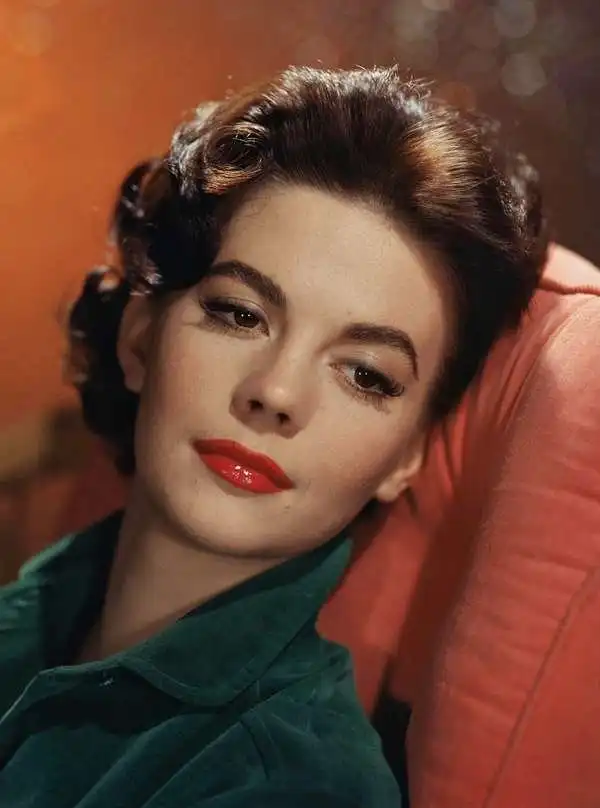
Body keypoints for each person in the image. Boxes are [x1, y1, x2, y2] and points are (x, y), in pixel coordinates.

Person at [0, 65, 547, 806]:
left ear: (406, 456)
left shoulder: (296, 786)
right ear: (140, 337)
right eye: (240, 314)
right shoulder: (36, 610)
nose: (276, 393)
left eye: (365, 374)